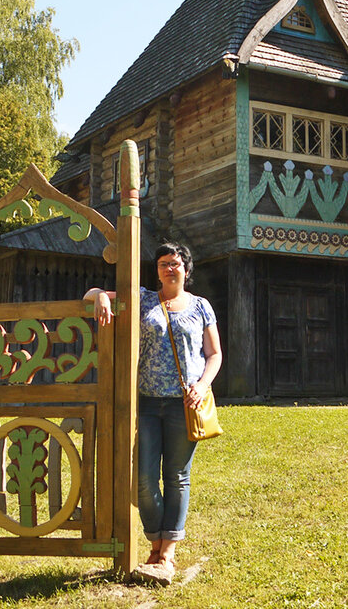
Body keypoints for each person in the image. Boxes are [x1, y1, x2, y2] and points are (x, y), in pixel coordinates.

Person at [84, 241, 222, 585]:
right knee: (144, 479)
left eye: (175, 263)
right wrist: (100, 296)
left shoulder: (201, 306)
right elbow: (90, 294)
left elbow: (214, 354)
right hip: (145, 402)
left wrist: (202, 384)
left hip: (184, 404)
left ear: (186, 269)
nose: (169, 268)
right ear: (157, 270)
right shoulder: (144, 298)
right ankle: (155, 541)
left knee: (177, 476)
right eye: (163, 263)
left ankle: (166, 552)